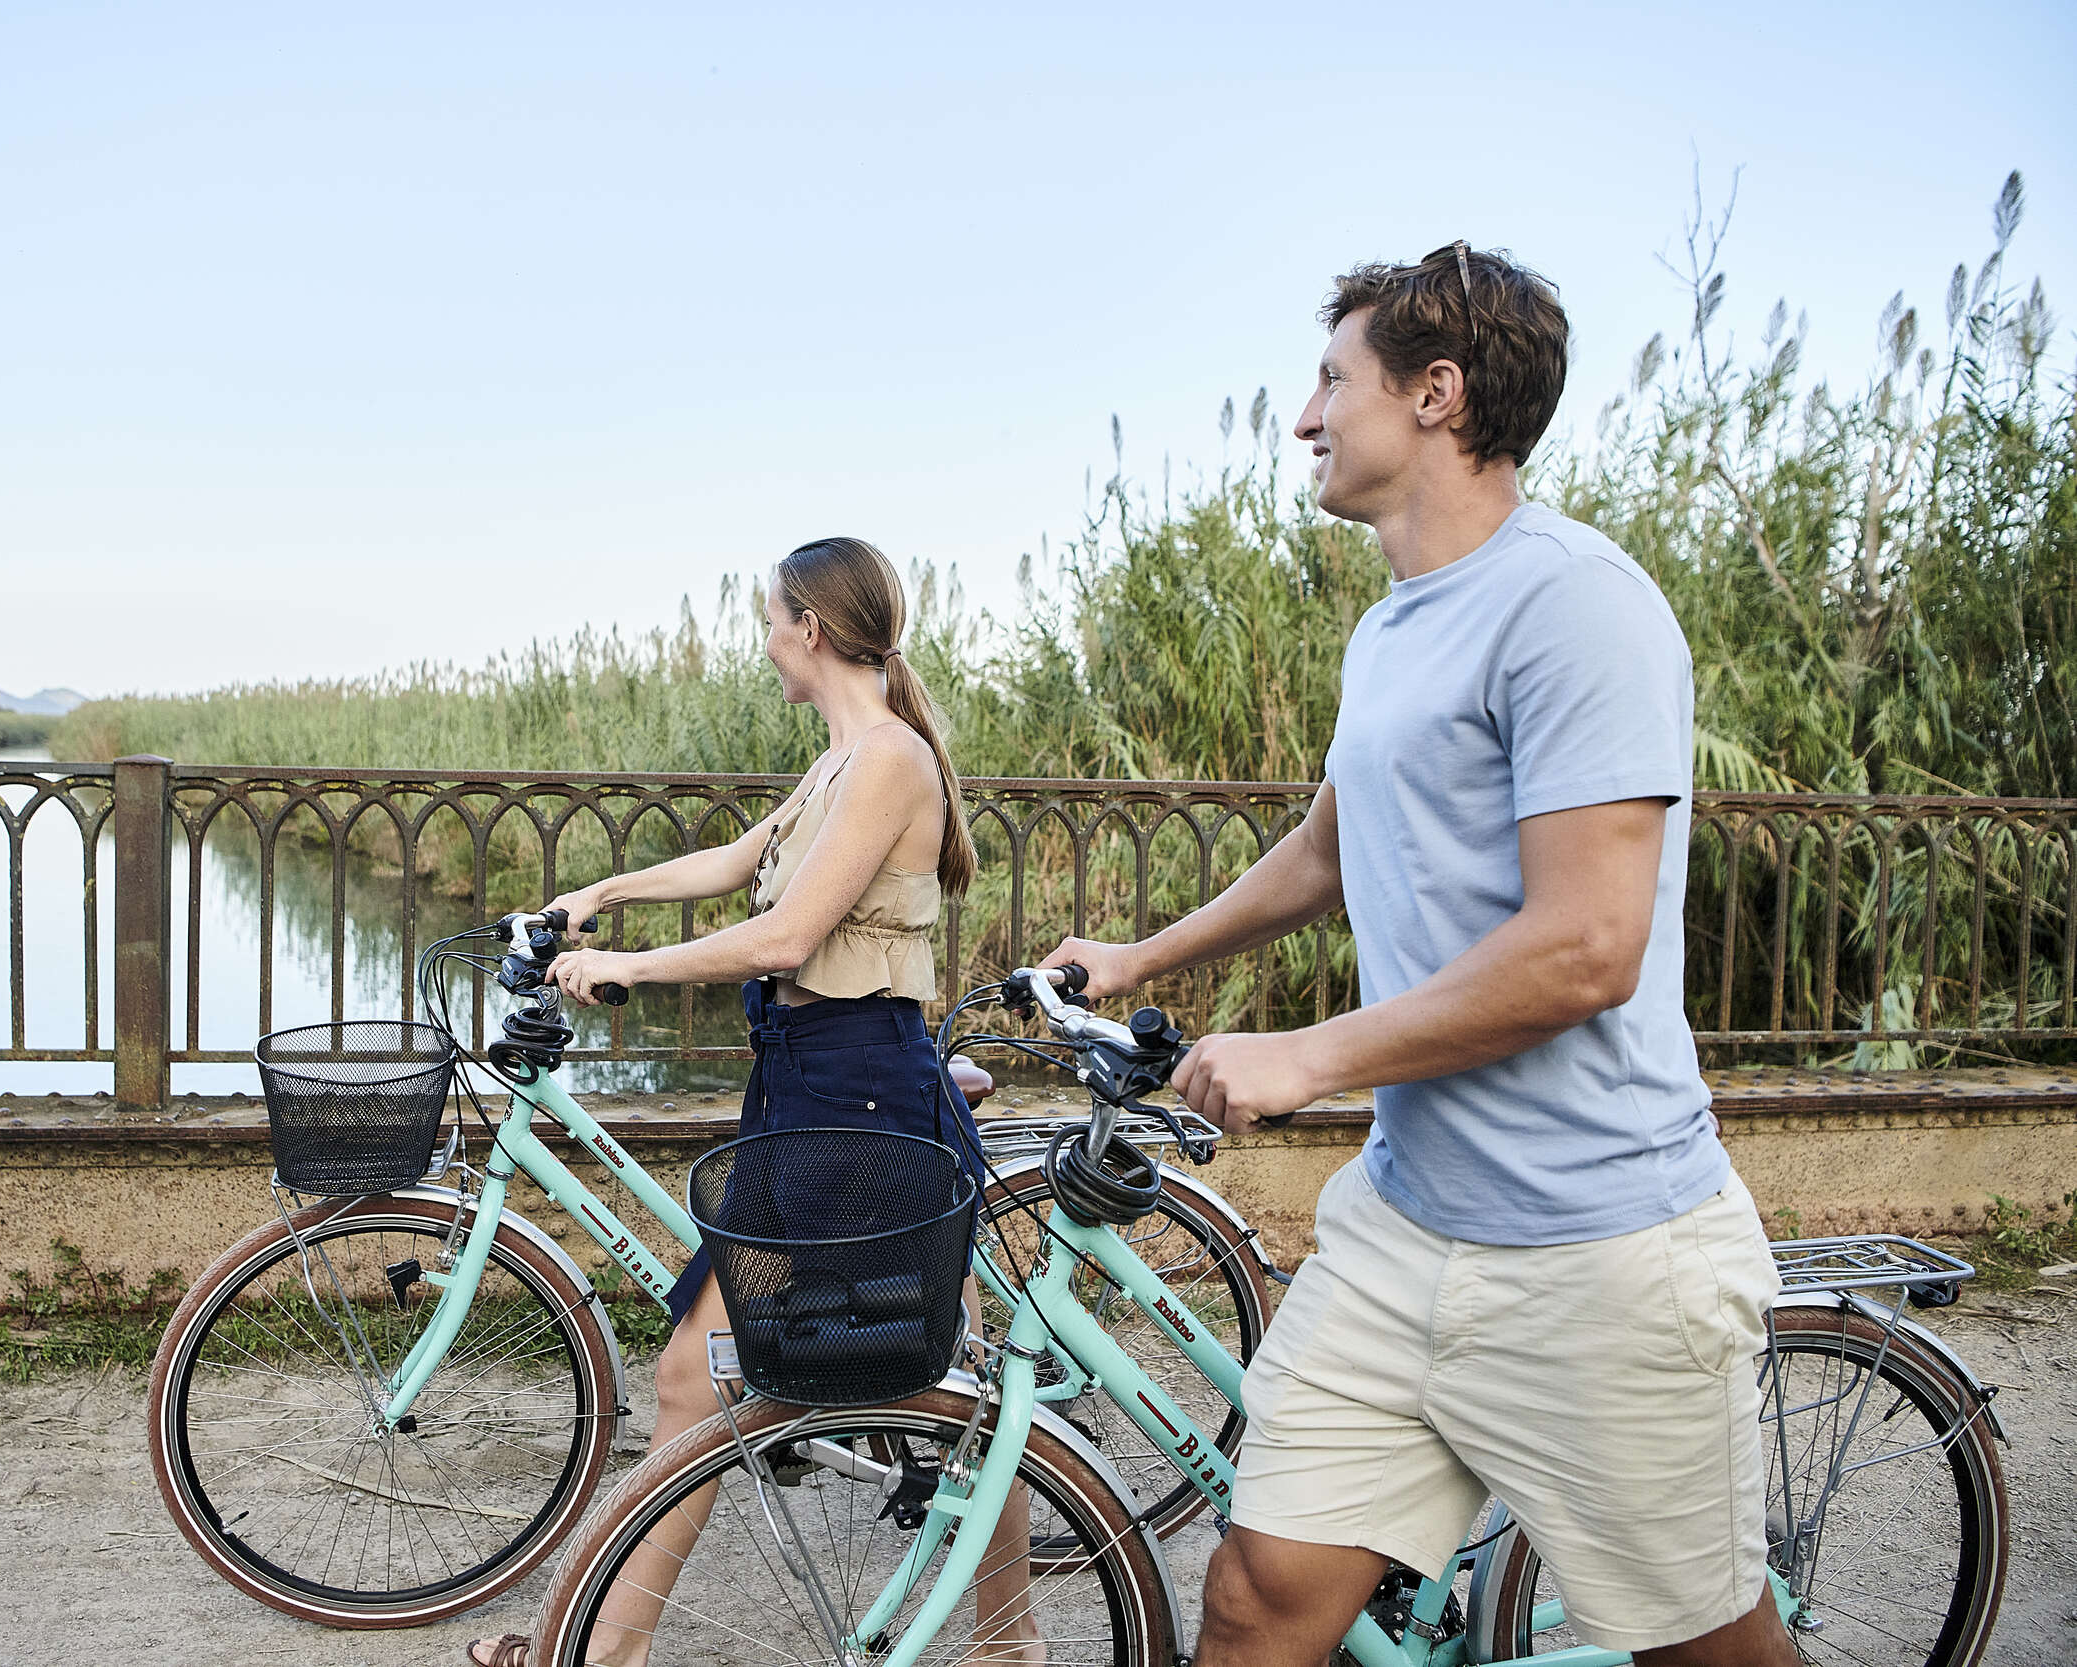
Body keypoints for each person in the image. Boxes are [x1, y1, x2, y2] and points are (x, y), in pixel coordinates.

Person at [1043, 245, 1794, 1667]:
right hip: (1404, 1222)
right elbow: (1327, 851)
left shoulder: (1575, 603)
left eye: (1335, 378)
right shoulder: (1392, 630)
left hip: (1596, 1246)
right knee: (1260, 1597)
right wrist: (1144, 953)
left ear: (1437, 396)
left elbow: (1584, 947)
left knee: (1705, 1647)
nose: (1306, 415)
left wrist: (1310, 1051)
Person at [467, 536, 1040, 1667]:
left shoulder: (889, 760)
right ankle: (1005, 1636)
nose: (763, 640)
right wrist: (604, 891)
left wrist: (633, 965)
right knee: (899, 1375)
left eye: (769, 619)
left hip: (857, 1091)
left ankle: (595, 1650)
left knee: (879, 1378)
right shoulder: (843, 760)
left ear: (810, 628)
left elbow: (786, 934)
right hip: (810, 1081)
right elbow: (745, 858)